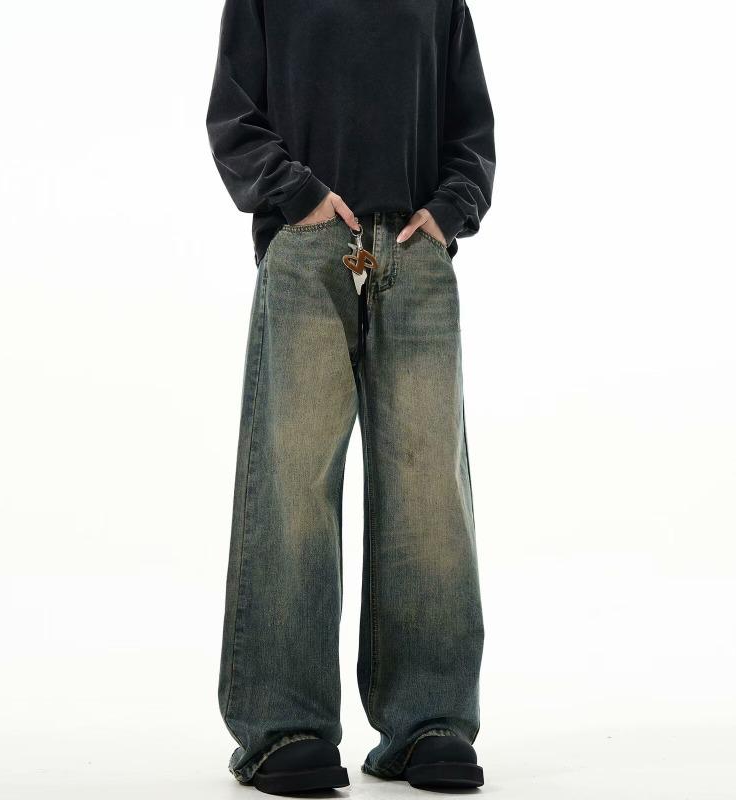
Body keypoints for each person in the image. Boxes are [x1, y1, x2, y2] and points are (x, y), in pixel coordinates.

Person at [206, 0, 495, 793]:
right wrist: (296, 195)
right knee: (293, 485)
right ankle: (283, 727)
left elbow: (471, 128)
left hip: (415, 251)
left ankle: (429, 720)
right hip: (309, 247)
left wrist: (450, 209)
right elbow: (234, 115)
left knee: (429, 491)